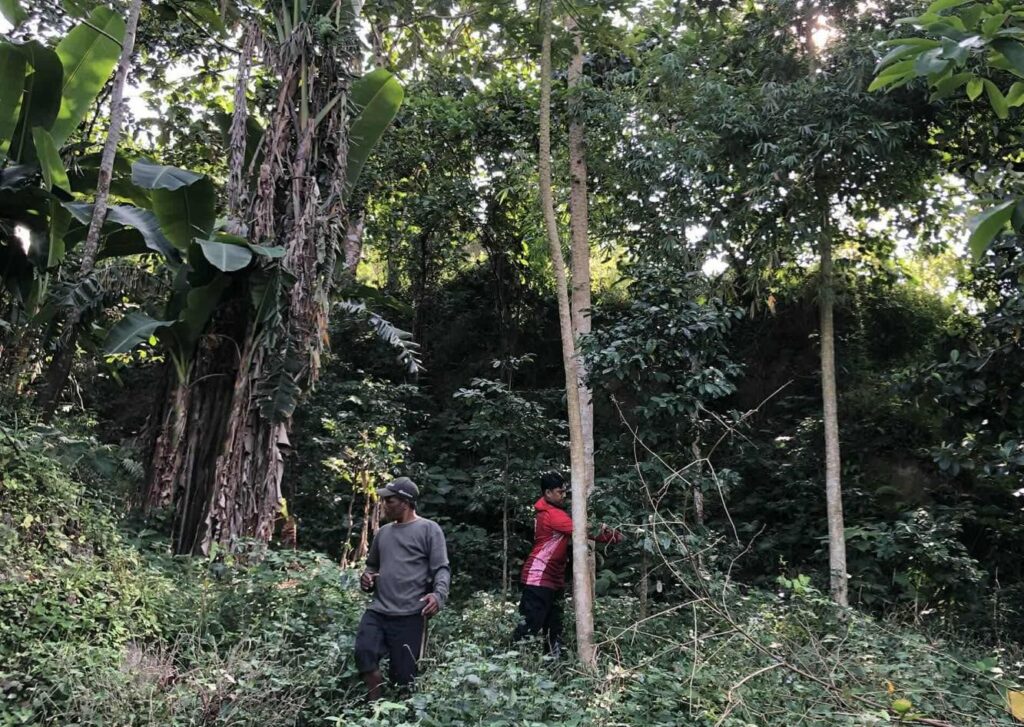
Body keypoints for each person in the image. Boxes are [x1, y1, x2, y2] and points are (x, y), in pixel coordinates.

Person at [354, 476, 450, 700]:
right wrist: (367, 578)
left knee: (404, 679)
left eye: (390, 500)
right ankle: (374, 705)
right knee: (364, 653)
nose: (384, 505)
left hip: (409, 614)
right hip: (379, 610)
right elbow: (372, 566)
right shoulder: (383, 533)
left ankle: (400, 716)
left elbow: (441, 568)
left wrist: (439, 595)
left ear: (405, 503)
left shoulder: (429, 529)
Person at [513, 471, 622, 656]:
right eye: (559, 492)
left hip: (552, 579)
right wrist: (618, 535)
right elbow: (587, 530)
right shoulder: (552, 515)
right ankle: (514, 663)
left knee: (554, 625)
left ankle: (552, 664)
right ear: (548, 493)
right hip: (539, 577)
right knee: (531, 625)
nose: (563, 495)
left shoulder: (551, 513)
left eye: (564, 492)